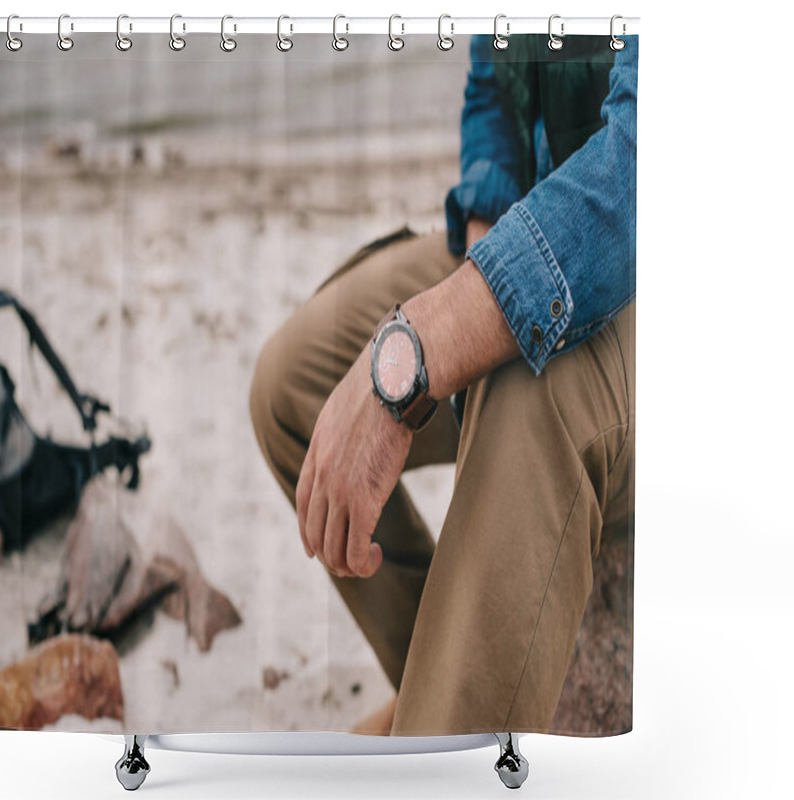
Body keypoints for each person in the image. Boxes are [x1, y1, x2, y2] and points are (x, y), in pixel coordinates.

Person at [249, 32, 637, 736]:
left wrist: (423, 347)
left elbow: (642, 171)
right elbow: (492, 89)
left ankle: (444, 743)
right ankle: (439, 686)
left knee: (530, 380)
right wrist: (487, 235)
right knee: (291, 386)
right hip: (534, 219)